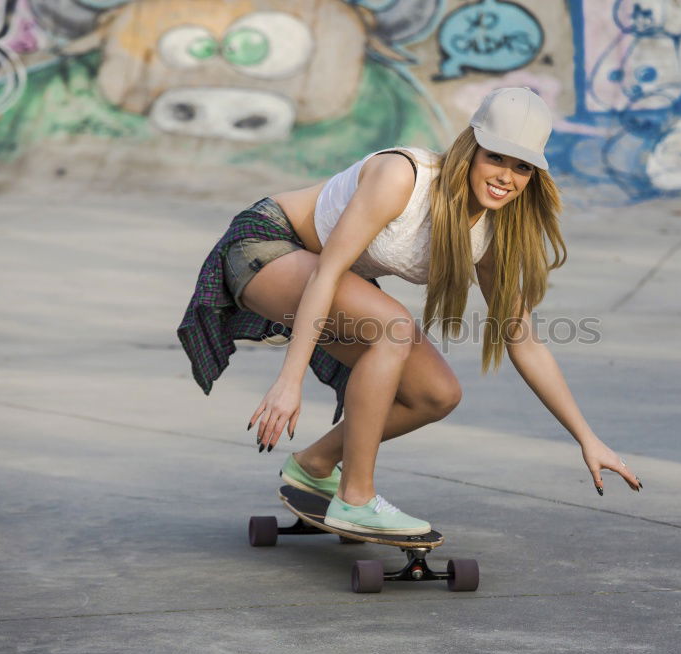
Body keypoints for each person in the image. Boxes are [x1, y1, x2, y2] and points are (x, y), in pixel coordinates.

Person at [178, 87, 641, 536]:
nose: (505, 176)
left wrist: (586, 437)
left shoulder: (491, 234)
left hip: (325, 275)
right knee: (394, 329)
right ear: (470, 148)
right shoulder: (404, 177)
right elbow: (328, 273)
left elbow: (522, 339)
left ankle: (315, 464)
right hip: (267, 245)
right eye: (495, 157)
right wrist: (289, 380)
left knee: (436, 393)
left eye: (521, 167)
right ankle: (356, 499)